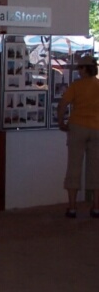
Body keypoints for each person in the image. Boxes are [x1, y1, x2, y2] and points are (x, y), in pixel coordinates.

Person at [57, 54, 99, 219]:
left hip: (77, 127)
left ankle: (72, 207)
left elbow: (63, 104)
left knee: (74, 166)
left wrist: (61, 121)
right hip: (97, 129)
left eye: (80, 68)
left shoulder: (76, 86)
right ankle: (96, 207)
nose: (79, 71)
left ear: (85, 69)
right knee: (96, 168)